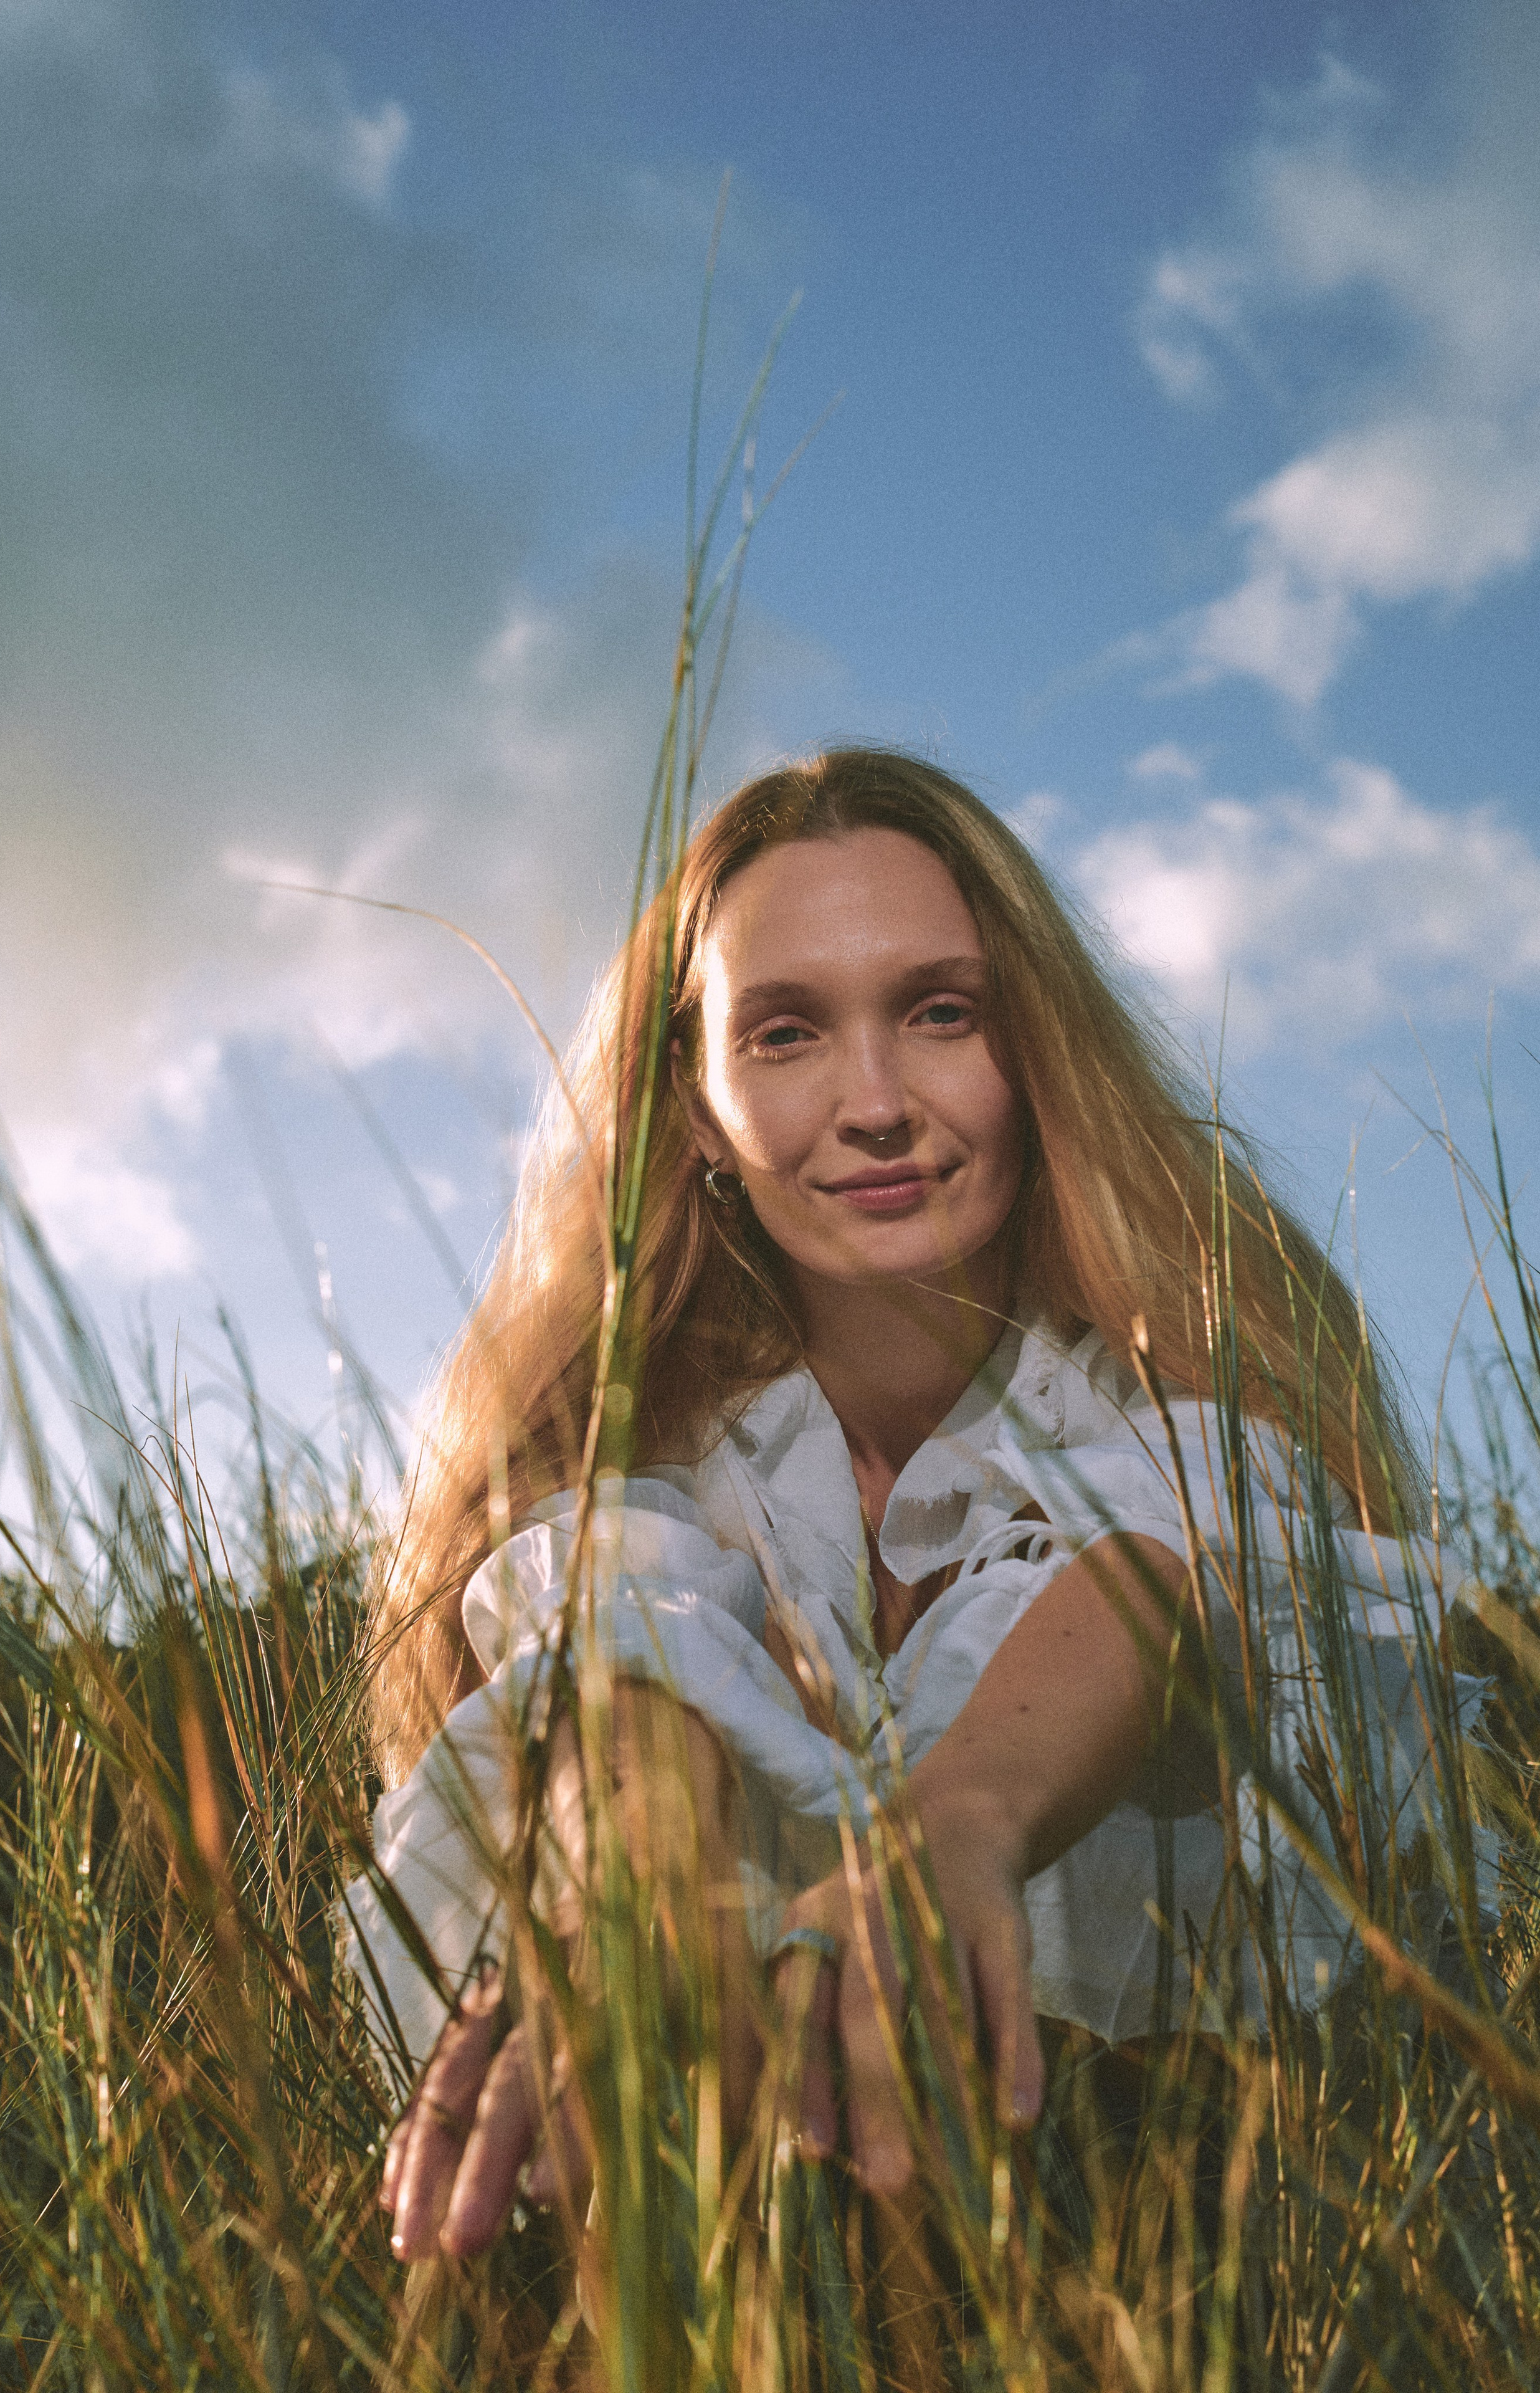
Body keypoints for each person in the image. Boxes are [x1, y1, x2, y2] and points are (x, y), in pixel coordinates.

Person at [343, 748, 1478, 2268]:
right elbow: (619, 1630)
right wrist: (639, 1893)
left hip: (1198, 2249)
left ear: (1034, 1053)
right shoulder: (638, 1452)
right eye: (787, 1032)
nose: (873, 1104)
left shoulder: (1179, 1384)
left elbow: (1167, 1554)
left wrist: (957, 1824)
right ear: (697, 1103)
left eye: (940, 1011)